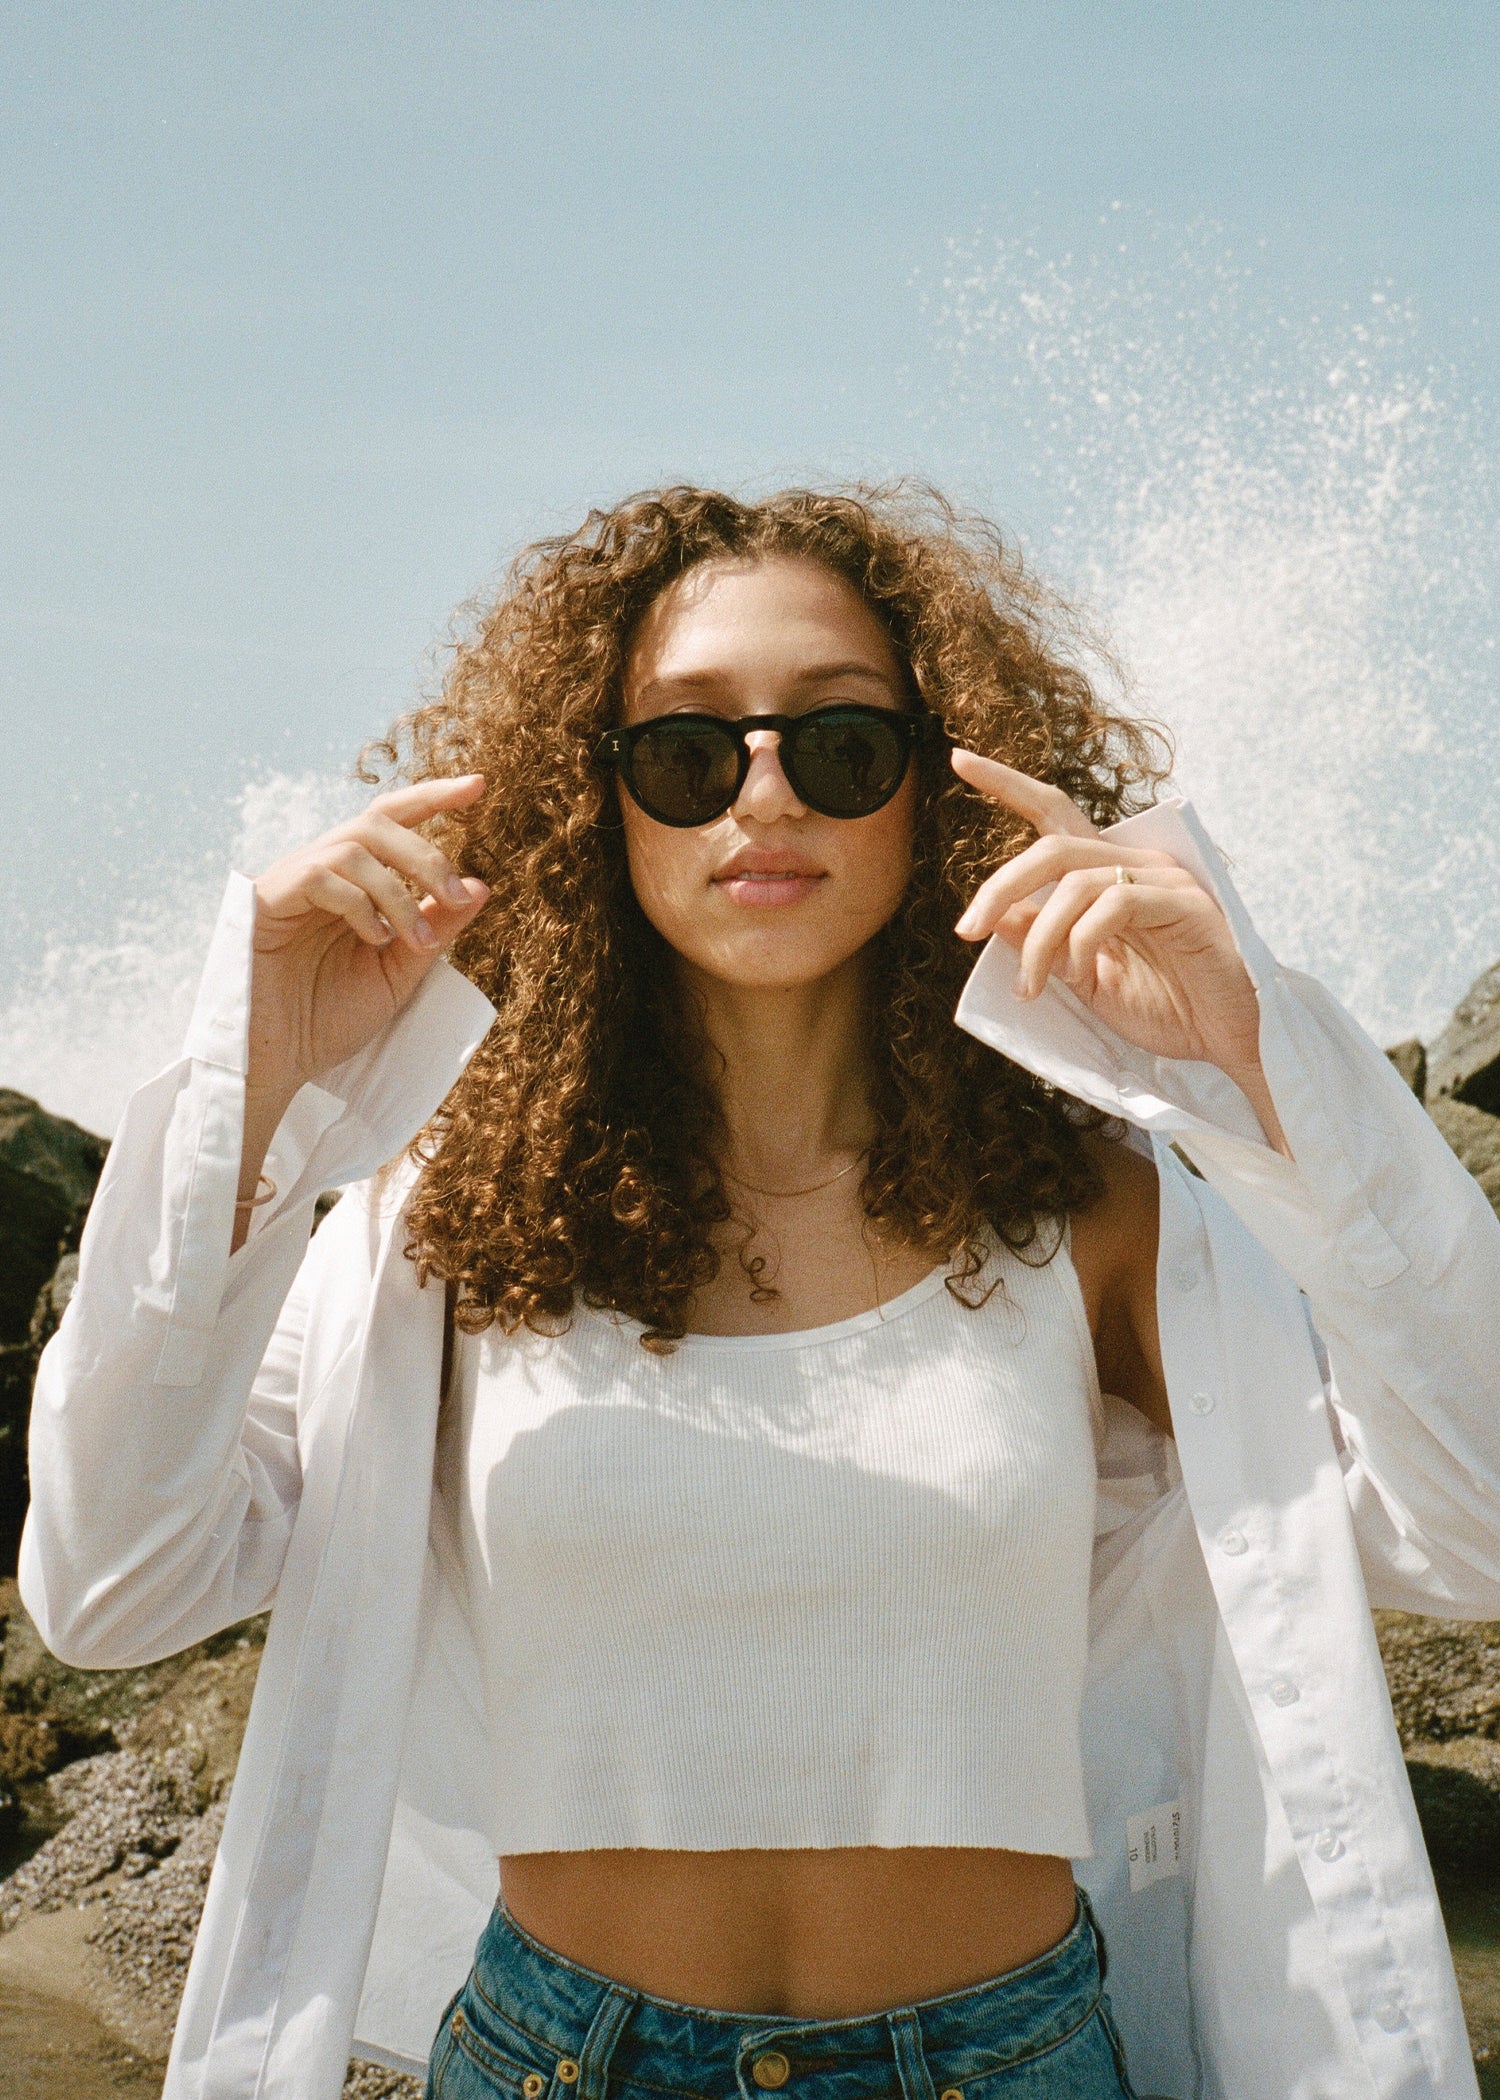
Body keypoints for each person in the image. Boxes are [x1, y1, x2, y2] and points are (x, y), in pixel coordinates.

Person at [20, 485, 1500, 2100]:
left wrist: (1256, 1057)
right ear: (600, 801)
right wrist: (257, 1095)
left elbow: (1477, 1522)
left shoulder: (1095, 1213)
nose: (767, 795)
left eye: (844, 745)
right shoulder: (444, 1217)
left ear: (931, 788)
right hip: (557, 2064)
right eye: (687, 750)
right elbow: (113, 1588)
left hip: (1002, 2065)